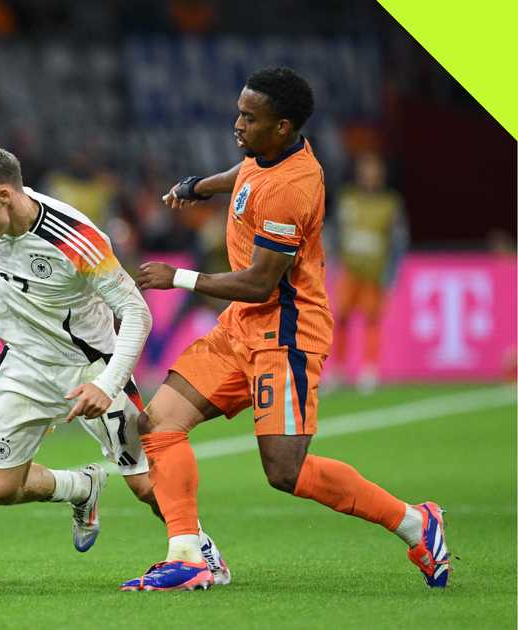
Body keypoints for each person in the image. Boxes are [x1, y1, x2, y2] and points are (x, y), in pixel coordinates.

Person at [129, 67, 448, 591]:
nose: (238, 124)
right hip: (239, 329)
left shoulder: (291, 191)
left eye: (249, 118)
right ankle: (189, 554)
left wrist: (178, 277)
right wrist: (200, 187)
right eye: (239, 111)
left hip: (285, 335)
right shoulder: (274, 150)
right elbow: (248, 169)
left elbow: (259, 283)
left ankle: (416, 522)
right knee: (159, 422)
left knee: (285, 472)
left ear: (281, 127)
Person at [0, 146, 229, 581]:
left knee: (142, 482)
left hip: (88, 366)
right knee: (1, 489)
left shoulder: (74, 237)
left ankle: (200, 551)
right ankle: (83, 487)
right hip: (24, 366)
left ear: (4, 195)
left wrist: (108, 382)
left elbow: (137, 312)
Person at [329, 152, 407, 393]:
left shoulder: (390, 203)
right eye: (366, 170)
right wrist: (332, 262)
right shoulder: (347, 198)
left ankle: (369, 370)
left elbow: (398, 241)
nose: (370, 175)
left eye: (375, 171)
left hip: (375, 272)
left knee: (372, 320)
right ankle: (338, 371)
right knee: (340, 318)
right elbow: (334, 232)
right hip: (349, 269)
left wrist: (392, 273)